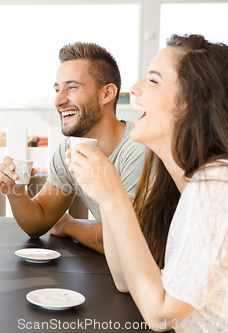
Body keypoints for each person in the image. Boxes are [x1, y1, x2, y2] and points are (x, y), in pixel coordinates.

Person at [68, 34, 228, 332]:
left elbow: (161, 316)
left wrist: (115, 198)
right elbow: (125, 281)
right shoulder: (178, 182)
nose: (134, 88)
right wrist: (107, 195)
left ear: (192, 103)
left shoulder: (217, 187)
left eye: (153, 81)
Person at [0, 42, 146, 253]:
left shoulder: (138, 150)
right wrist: (16, 192)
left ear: (107, 94)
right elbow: (39, 222)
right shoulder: (70, 149)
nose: (58, 100)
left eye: (72, 87)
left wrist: (69, 226)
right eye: (57, 89)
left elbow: (125, 240)